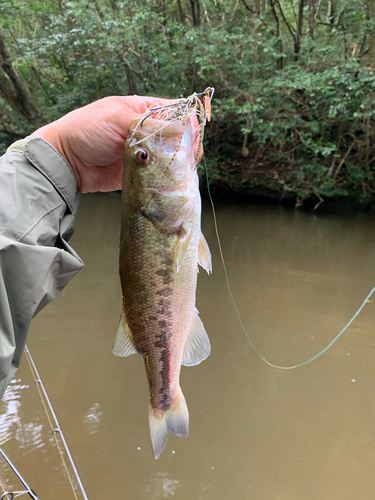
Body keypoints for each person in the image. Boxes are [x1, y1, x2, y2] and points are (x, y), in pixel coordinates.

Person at [0, 95, 202, 399]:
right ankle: (166, 396)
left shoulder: (170, 220)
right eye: (144, 157)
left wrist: (65, 152)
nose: (147, 153)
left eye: (142, 157)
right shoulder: (171, 221)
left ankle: (165, 394)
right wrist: (63, 151)